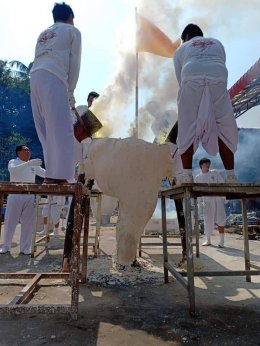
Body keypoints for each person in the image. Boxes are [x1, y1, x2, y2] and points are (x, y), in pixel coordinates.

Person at [173, 24, 238, 183]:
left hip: (191, 77)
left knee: (187, 126)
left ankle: (187, 176)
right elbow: (221, 63)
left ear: (186, 37)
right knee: (223, 125)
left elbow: (180, 79)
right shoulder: (217, 43)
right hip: (218, 78)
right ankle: (231, 176)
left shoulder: (181, 49)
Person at [30, 2, 82, 184]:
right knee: (63, 130)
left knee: (45, 130)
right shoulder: (72, 31)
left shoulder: (43, 33)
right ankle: (59, 178)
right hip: (54, 77)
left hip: (35, 77)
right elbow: (74, 63)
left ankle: (52, 174)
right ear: (70, 17)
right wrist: (71, 91)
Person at [0, 145, 46, 255]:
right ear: (19, 153)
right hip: (15, 195)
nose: (28, 152)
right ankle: (6, 246)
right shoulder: (13, 162)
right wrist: (29, 164)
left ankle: (25, 248)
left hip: (29, 195)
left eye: (29, 150)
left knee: (28, 223)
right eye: (25, 150)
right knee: (10, 222)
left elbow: (45, 174)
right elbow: (13, 171)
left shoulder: (33, 165)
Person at [195, 157, 226, 247]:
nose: (208, 165)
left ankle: (222, 241)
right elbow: (197, 192)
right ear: (201, 165)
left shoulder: (215, 173)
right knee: (207, 220)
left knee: (221, 219)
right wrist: (199, 204)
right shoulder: (198, 177)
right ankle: (208, 240)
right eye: (206, 164)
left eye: (209, 163)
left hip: (217, 199)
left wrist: (225, 196)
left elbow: (222, 184)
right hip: (207, 201)